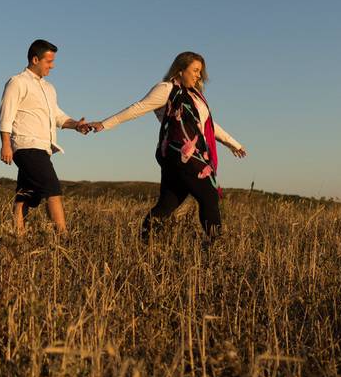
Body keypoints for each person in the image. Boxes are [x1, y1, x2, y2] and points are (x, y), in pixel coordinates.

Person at [88, 51, 247, 243]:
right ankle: (217, 244)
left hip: (193, 155)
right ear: (180, 70)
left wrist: (232, 143)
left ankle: (145, 242)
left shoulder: (195, 96)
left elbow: (208, 126)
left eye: (200, 72)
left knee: (168, 203)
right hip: (180, 155)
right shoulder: (166, 89)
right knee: (209, 196)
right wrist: (105, 123)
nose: (198, 75)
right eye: (195, 70)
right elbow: (138, 108)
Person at [0, 39, 90, 236]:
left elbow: (57, 116)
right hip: (25, 146)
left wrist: (76, 125)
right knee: (52, 189)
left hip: (43, 147)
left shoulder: (49, 88)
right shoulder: (17, 82)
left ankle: (17, 237)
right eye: (48, 61)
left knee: (25, 194)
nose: (52, 65)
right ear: (35, 59)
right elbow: (5, 114)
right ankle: (64, 237)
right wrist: (5, 144)